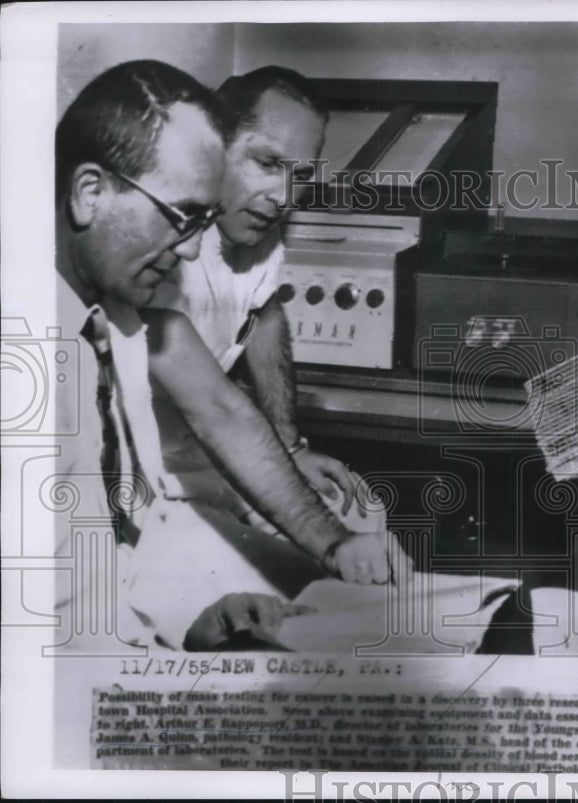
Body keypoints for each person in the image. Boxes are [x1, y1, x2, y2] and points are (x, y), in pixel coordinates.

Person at [52, 60, 331, 651]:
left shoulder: (115, 316)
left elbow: (124, 540)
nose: (196, 249)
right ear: (89, 193)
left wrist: (200, 623)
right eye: (183, 217)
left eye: (204, 221)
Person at [141, 66, 391, 585]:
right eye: (268, 163)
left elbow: (264, 316)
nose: (285, 196)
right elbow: (217, 408)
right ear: (213, 145)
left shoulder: (257, 233)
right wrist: (330, 543)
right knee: (303, 582)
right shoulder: (167, 242)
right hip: (155, 484)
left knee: (360, 510)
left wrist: (291, 445)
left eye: (300, 174)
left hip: (218, 463)